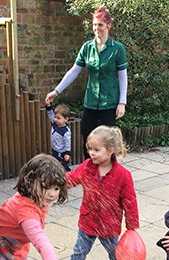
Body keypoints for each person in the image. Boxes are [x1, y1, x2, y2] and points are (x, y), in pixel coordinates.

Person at [45, 6, 127, 159]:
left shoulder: (117, 49)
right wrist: (56, 91)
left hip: (109, 103)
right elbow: (73, 72)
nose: (97, 28)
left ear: (108, 26)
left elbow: (123, 77)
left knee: (107, 142)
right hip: (91, 101)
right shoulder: (87, 48)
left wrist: (122, 103)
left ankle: (108, 175)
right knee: (87, 138)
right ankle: (89, 174)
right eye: (94, 25)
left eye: (100, 25)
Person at [65, 125, 139, 260]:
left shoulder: (123, 175)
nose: (91, 153)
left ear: (110, 150)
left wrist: (132, 225)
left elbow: (130, 201)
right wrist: (55, 180)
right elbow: (71, 178)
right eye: (90, 149)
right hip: (88, 220)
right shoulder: (86, 167)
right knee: (79, 251)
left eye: (96, 150)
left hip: (109, 224)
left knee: (114, 251)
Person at [45, 102, 72, 171]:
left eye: (58, 118)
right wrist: (48, 106)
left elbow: (68, 143)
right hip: (55, 150)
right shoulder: (55, 124)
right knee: (55, 165)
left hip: (62, 153)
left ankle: (69, 176)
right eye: (55, 117)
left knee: (63, 166)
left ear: (66, 119)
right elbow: (50, 114)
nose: (55, 119)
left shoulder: (66, 131)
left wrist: (67, 153)